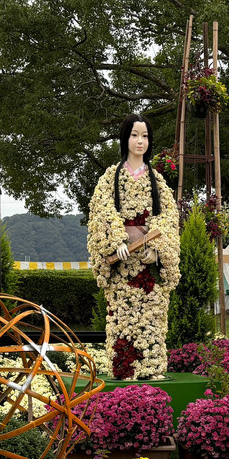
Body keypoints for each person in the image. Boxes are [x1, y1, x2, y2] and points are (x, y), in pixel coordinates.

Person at [86, 113, 180, 378]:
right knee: (123, 315)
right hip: (122, 261)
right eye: (135, 135)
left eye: (145, 136)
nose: (140, 141)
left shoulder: (156, 180)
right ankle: (125, 367)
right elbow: (101, 212)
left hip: (149, 261)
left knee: (152, 314)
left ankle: (150, 367)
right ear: (125, 138)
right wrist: (115, 240)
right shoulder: (110, 178)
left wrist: (157, 247)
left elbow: (169, 217)